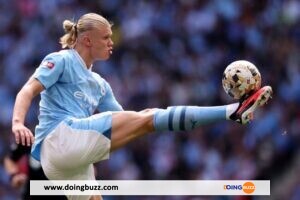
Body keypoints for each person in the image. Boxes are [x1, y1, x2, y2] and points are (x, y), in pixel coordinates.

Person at [11, 13, 272, 200]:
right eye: (106, 37)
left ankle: (233, 112)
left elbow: (129, 120)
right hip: (56, 142)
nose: (112, 42)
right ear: (87, 40)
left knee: (143, 122)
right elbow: (27, 90)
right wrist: (17, 123)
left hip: (70, 165)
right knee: (147, 119)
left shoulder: (101, 85)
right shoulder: (61, 60)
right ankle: (232, 112)